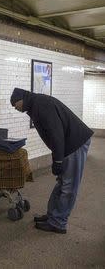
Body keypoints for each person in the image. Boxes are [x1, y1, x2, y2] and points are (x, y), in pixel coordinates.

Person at [10, 88, 93, 234]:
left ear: (21, 99)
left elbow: (56, 133)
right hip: (69, 144)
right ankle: (52, 216)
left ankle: (58, 223)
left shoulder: (41, 105)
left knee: (68, 186)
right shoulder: (36, 105)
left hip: (75, 143)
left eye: (15, 105)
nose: (15, 108)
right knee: (62, 183)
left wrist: (58, 161)